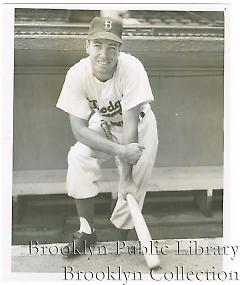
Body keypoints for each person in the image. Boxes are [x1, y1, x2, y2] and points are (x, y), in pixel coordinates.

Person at [56, 16, 158, 258]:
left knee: (132, 187)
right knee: (79, 156)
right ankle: (86, 231)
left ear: (119, 49)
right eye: (98, 45)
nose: (105, 53)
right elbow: (80, 130)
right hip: (103, 123)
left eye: (112, 46)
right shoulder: (76, 74)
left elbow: (130, 127)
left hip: (139, 127)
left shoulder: (131, 67)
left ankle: (118, 243)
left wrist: (126, 175)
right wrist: (120, 151)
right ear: (87, 46)